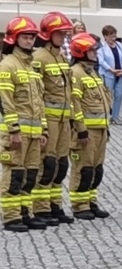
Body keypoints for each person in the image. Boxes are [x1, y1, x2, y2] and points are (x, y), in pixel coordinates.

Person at [32, 12, 78, 224]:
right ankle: (41, 208)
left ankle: (55, 205)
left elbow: (68, 92)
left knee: (61, 164)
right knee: (47, 163)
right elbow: (36, 94)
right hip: (49, 120)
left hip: (63, 121)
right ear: (48, 34)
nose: (64, 37)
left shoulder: (61, 57)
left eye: (65, 33)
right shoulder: (39, 58)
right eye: (60, 33)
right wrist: (41, 124)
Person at [1, 17, 46, 232]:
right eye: (25, 37)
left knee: (30, 175)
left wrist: (43, 129)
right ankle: (11, 217)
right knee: (14, 175)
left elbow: (39, 101)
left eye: (31, 37)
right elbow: (5, 101)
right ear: (14, 39)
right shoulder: (8, 65)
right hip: (16, 133)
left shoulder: (31, 67)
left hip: (34, 133)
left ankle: (24, 213)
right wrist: (14, 130)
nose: (29, 41)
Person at [65, 32, 111, 221]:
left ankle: (91, 201)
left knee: (96, 169)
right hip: (85, 132)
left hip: (100, 130)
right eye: (92, 50)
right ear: (81, 51)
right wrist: (81, 129)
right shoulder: (76, 73)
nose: (95, 53)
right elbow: (74, 103)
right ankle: (79, 205)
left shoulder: (92, 72)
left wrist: (106, 128)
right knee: (83, 169)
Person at [97, 26, 122, 125]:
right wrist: (111, 70)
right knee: (107, 95)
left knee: (119, 95)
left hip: (120, 74)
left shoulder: (119, 45)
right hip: (108, 74)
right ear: (105, 36)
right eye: (111, 36)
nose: (114, 38)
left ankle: (115, 116)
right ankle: (106, 115)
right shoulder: (101, 46)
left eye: (114, 35)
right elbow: (101, 61)